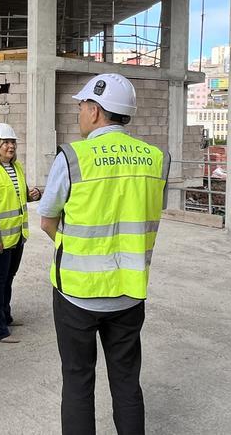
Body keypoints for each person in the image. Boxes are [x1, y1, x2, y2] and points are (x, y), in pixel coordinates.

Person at [38, 73, 167, 435]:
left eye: (81, 106)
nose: (79, 113)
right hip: (129, 293)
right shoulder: (156, 158)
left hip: (76, 295)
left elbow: (47, 221)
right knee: (127, 382)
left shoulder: (74, 157)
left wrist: (75, 248)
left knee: (78, 382)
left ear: (95, 111)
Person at [0, 123, 41, 343]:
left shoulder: (17, 167)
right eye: (6, 142)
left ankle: (4, 315)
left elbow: (18, 194)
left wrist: (33, 194)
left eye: (13, 142)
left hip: (18, 235)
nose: (10, 146)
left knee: (8, 278)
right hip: (1, 239)